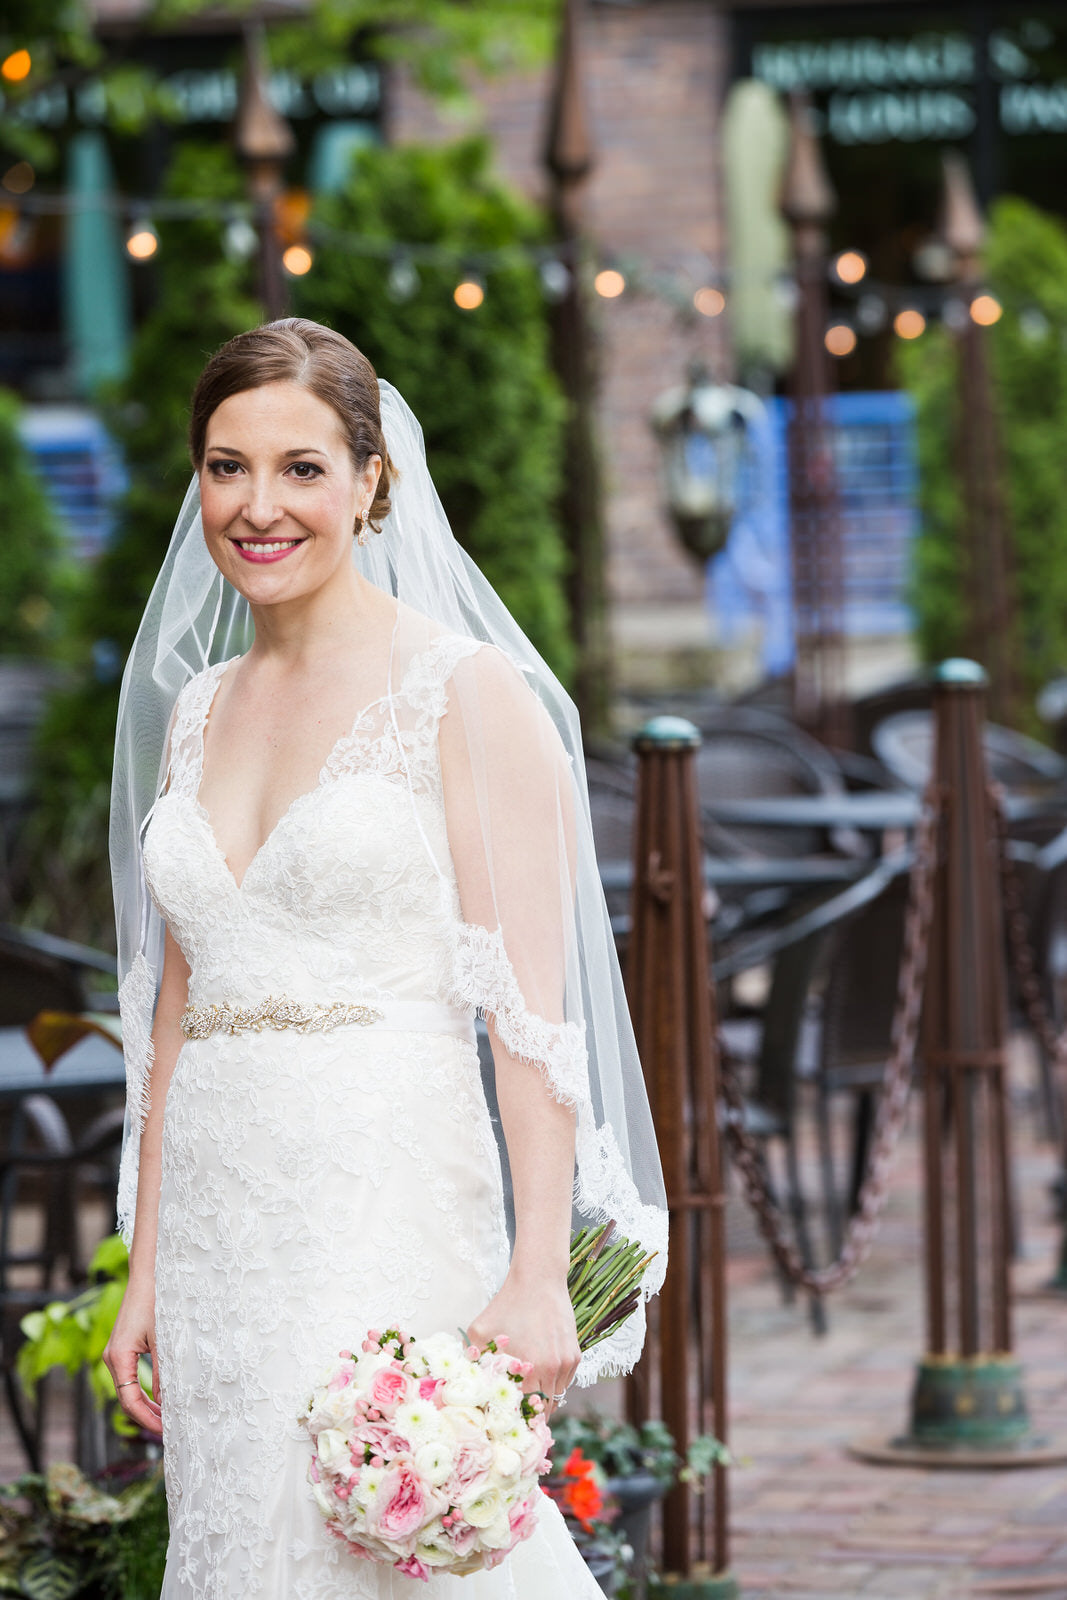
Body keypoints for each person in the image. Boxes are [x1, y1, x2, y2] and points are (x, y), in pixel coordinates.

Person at [103, 319, 667, 1597]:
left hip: (385, 1190)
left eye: (301, 468)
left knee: (385, 1544)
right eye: (225, 467)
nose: (258, 507)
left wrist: (537, 1272)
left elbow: (531, 1019)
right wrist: (142, 1269)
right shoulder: (197, 709)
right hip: (214, 1232)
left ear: (371, 481)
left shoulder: (465, 696)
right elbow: (174, 1017)